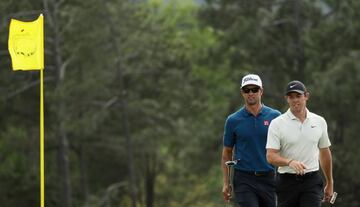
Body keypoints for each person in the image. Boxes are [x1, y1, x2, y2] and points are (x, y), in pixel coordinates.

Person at [266, 80, 334, 207]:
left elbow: (325, 153)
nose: (295, 100)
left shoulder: (319, 121)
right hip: (287, 182)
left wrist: (330, 182)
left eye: (298, 96)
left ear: (306, 96)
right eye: (291, 97)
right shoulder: (277, 124)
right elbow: (270, 156)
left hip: (311, 181)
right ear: (286, 99)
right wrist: (289, 162)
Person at [221, 74, 281, 207]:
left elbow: (284, 147)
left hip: (269, 177)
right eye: (247, 90)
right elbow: (227, 153)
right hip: (244, 178)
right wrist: (226, 183)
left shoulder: (275, 116)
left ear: (261, 91)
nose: (251, 93)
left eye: (254, 89)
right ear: (242, 92)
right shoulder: (233, 120)